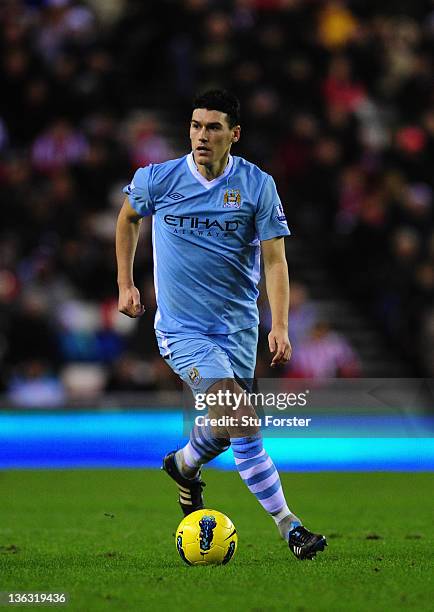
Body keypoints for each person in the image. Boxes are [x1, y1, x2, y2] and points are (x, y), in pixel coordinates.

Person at [116, 90, 326, 560]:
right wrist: (125, 283)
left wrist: (281, 325)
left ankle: (184, 463)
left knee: (230, 423)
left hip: (238, 331)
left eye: (212, 127)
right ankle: (289, 526)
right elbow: (128, 217)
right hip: (183, 333)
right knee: (242, 421)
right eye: (195, 126)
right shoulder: (159, 179)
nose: (201, 136)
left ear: (234, 134)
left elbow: (275, 261)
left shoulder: (257, 186)